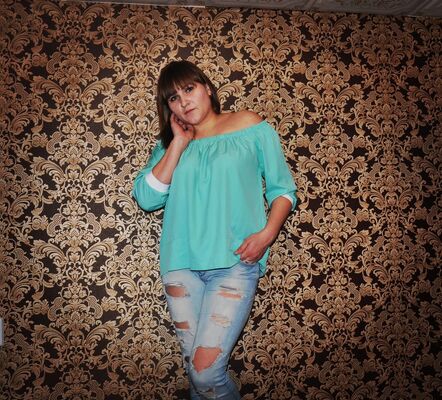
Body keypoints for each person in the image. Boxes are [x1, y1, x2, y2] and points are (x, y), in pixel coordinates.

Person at [132, 60, 297, 399]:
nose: (183, 101)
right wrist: (178, 143)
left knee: (205, 373)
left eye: (188, 89)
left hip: (233, 262)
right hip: (180, 266)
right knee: (197, 376)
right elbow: (147, 198)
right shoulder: (169, 145)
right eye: (173, 98)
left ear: (207, 87)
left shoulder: (249, 125)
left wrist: (266, 236)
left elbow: (282, 190)